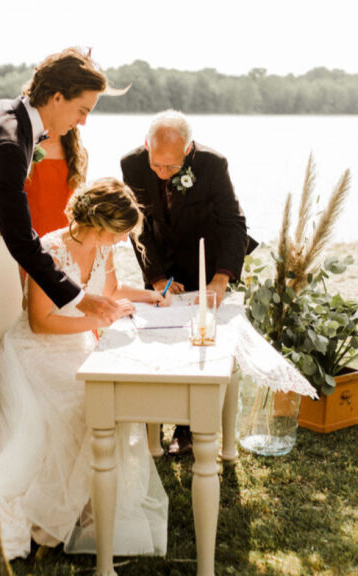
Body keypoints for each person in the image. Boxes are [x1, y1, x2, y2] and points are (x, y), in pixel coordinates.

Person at [0, 178, 170, 560]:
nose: (122, 242)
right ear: (101, 224)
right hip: (35, 353)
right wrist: (99, 322)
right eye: (119, 234)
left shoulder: (102, 251)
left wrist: (150, 297)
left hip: (77, 346)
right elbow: (39, 321)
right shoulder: (51, 250)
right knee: (84, 410)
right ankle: (49, 520)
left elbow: (110, 292)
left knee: (111, 403)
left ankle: (85, 509)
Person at [121, 109, 257, 455]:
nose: (163, 174)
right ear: (146, 146)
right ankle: (157, 419)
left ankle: (189, 429)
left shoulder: (213, 165)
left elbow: (233, 224)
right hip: (162, 259)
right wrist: (156, 277)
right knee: (160, 339)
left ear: (188, 150)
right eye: (157, 165)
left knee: (199, 345)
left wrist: (220, 281)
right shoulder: (132, 164)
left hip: (206, 261)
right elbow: (139, 226)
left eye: (172, 167)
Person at [0, 47, 121, 325]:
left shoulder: (2, 110)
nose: (83, 121)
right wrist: (79, 297)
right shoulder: (8, 143)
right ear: (57, 97)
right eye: (82, 110)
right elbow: (20, 240)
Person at [24, 127, 87, 236]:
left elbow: (80, 202)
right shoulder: (24, 148)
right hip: (27, 235)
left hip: (66, 237)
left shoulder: (79, 153)